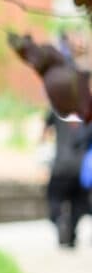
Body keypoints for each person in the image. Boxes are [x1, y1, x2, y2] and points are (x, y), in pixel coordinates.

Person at [45, 102, 90, 250]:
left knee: (54, 199)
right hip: (81, 169)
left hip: (61, 166)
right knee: (79, 203)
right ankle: (71, 233)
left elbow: (46, 130)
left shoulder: (59, 104)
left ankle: (60, 221)